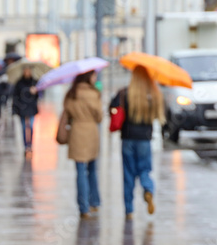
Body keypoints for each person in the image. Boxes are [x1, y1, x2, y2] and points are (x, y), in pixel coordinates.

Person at [109, 65, 165, 220]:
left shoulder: (125, 93)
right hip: (144, 139)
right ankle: (148, 189)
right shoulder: (153, 94)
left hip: (127, 138)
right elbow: (159, 115)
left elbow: (112, 108)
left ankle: (129, 210)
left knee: (128, 175)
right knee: (144, 170)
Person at [64, 70, 103, 219]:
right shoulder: (94, 94)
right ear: (88, 77)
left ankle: (83, 207)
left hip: (76, 133)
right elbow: (99, 117)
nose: (95, 78)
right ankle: (95, 201)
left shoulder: (71, 93)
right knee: (92, 170)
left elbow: (67, 112)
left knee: (80, 171)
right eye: (93, 76)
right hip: (91, 133)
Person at [12, 66, 39, 155]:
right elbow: (15, 96)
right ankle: (25, 146)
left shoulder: (34, 82)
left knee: (31, 127)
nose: (27, 72)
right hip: (22, 108)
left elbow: (39, 96)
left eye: (28, 70)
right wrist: (17, 107)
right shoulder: (19, 83)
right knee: (24, 128)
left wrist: (35, 91)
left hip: (31, 107)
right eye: (25, 70)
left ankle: (30, 145)